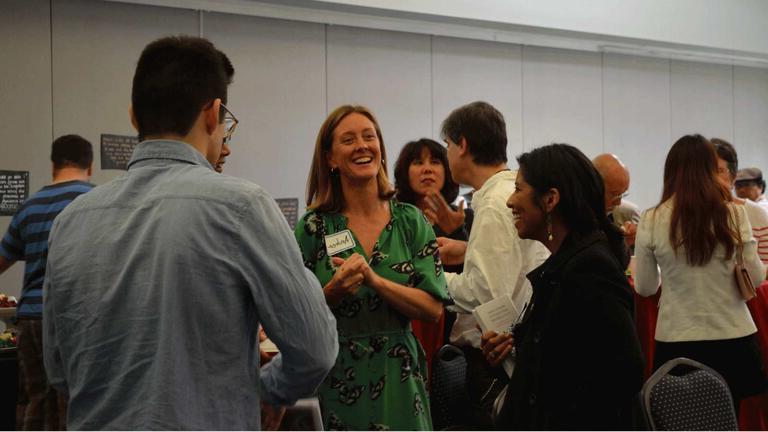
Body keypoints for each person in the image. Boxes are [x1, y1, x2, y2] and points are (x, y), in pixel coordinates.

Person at [42, 36, 338, 430]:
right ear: (213, 114)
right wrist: (264, 388)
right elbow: (315, 348)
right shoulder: (242, 207)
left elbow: (59, 370)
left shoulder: (70, 221)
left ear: (134, 116)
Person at [295, 105, 450, 430]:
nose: (362, 146)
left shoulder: (410, 222)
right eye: (348, 140)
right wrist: (331, 293)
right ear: (330, 159)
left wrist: (374, 280)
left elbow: (433, 308)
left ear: (380, 149)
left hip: (399, 377)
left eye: (369, 137)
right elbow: (294, 314)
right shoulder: (313, 228)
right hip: (336, 376)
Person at [480, 143, 644, 429]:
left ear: (550, 200)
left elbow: (623, 371)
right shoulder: (569, 263)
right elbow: (569, 347)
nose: (510, 201)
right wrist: (520, 343)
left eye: (518, 189)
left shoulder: (590, 270)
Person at [435, 101, 549, 428]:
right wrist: (469, 249)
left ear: (463, 146)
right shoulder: (513, 191)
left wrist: (424, 277)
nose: (447, 155)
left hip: (497, 361)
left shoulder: (492, 203)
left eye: (447, 146)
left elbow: (481, 291)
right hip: (518, 348)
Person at [635, 134, 767, 411]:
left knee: (683, 421)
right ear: (711, 170)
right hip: (734, 337)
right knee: (728, 420)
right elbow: (755, 278)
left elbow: (646, 287)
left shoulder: (651, 218)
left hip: (676, 339)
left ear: (670, 171)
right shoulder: (734, 214)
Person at [0, 134, 94, 430]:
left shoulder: (30, 207)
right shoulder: (96, 202)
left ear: (53, 164)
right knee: (76, 399)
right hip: (77, 315)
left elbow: (2, 260)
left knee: (36, 400)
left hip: (31, 319)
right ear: (89, 166)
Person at [393, 138, 472, 368]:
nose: (427, 168)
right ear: (405, 172)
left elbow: (476, 272)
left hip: (453, 330)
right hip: (404, 323)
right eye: (418, 162)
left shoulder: (468, 216)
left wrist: (458, 231)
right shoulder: (391, 220)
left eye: (435, 161)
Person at [713, 138, 768, 264]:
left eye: (719, 171)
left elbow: (763, 274)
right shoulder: (685, 215)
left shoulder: (758, 215)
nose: (712, 178)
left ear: (733, 178)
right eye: (705, 171)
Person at [593, 153, 640, 248]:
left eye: (622, 194)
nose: (618, 203)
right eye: (614, 194)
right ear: (593, 186)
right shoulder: (572, 217)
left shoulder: (628, 213)